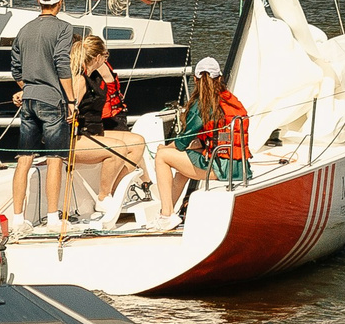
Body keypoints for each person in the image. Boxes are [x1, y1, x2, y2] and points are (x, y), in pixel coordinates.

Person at [7, 0, 74, 223]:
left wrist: (27, 89)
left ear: (39, 1)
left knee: (24, 160)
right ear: (61, 2)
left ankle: (17, 219)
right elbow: (62, 63)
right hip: (52, 100)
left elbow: (16, 69)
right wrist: (71, 100)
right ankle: (53, 218)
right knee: (55, 159)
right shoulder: (64, 28)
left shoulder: (24, 29)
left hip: (29, 102)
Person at [67, 33, 148, 224]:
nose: (106, 58)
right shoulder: (79, 80)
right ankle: (103, 198)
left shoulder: (92, 75)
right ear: (96, 57)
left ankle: (114, 190)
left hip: (93, 131)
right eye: (105, 55)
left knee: (137, 142)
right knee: (119, 148)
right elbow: (68, 109)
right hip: (78, 136)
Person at [154, 56, 249, 217]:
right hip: (240, 168)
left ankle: (165, 215)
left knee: (162, 157)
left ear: (195, 80)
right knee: (182, 171)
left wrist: (164, 148)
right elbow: (219, 137)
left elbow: (181, 143)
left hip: (221, 169)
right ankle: (169, 213)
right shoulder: (229, 100)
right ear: (220, 78)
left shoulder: (201, 104)